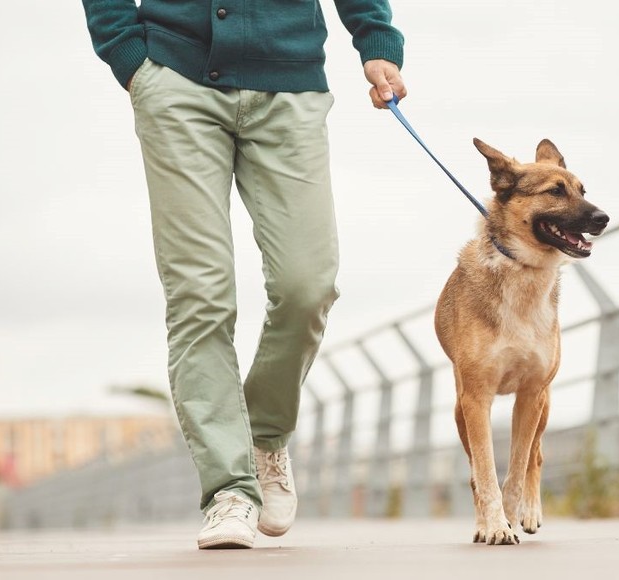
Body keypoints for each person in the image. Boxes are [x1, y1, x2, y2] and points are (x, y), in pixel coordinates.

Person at [81, 0, 406, 549]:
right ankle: (229, 490)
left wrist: (376, 41)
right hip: (175, 81)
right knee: (200, 294)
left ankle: (264, 438)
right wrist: (128, 56)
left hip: (291, 86)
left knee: (309, 284)